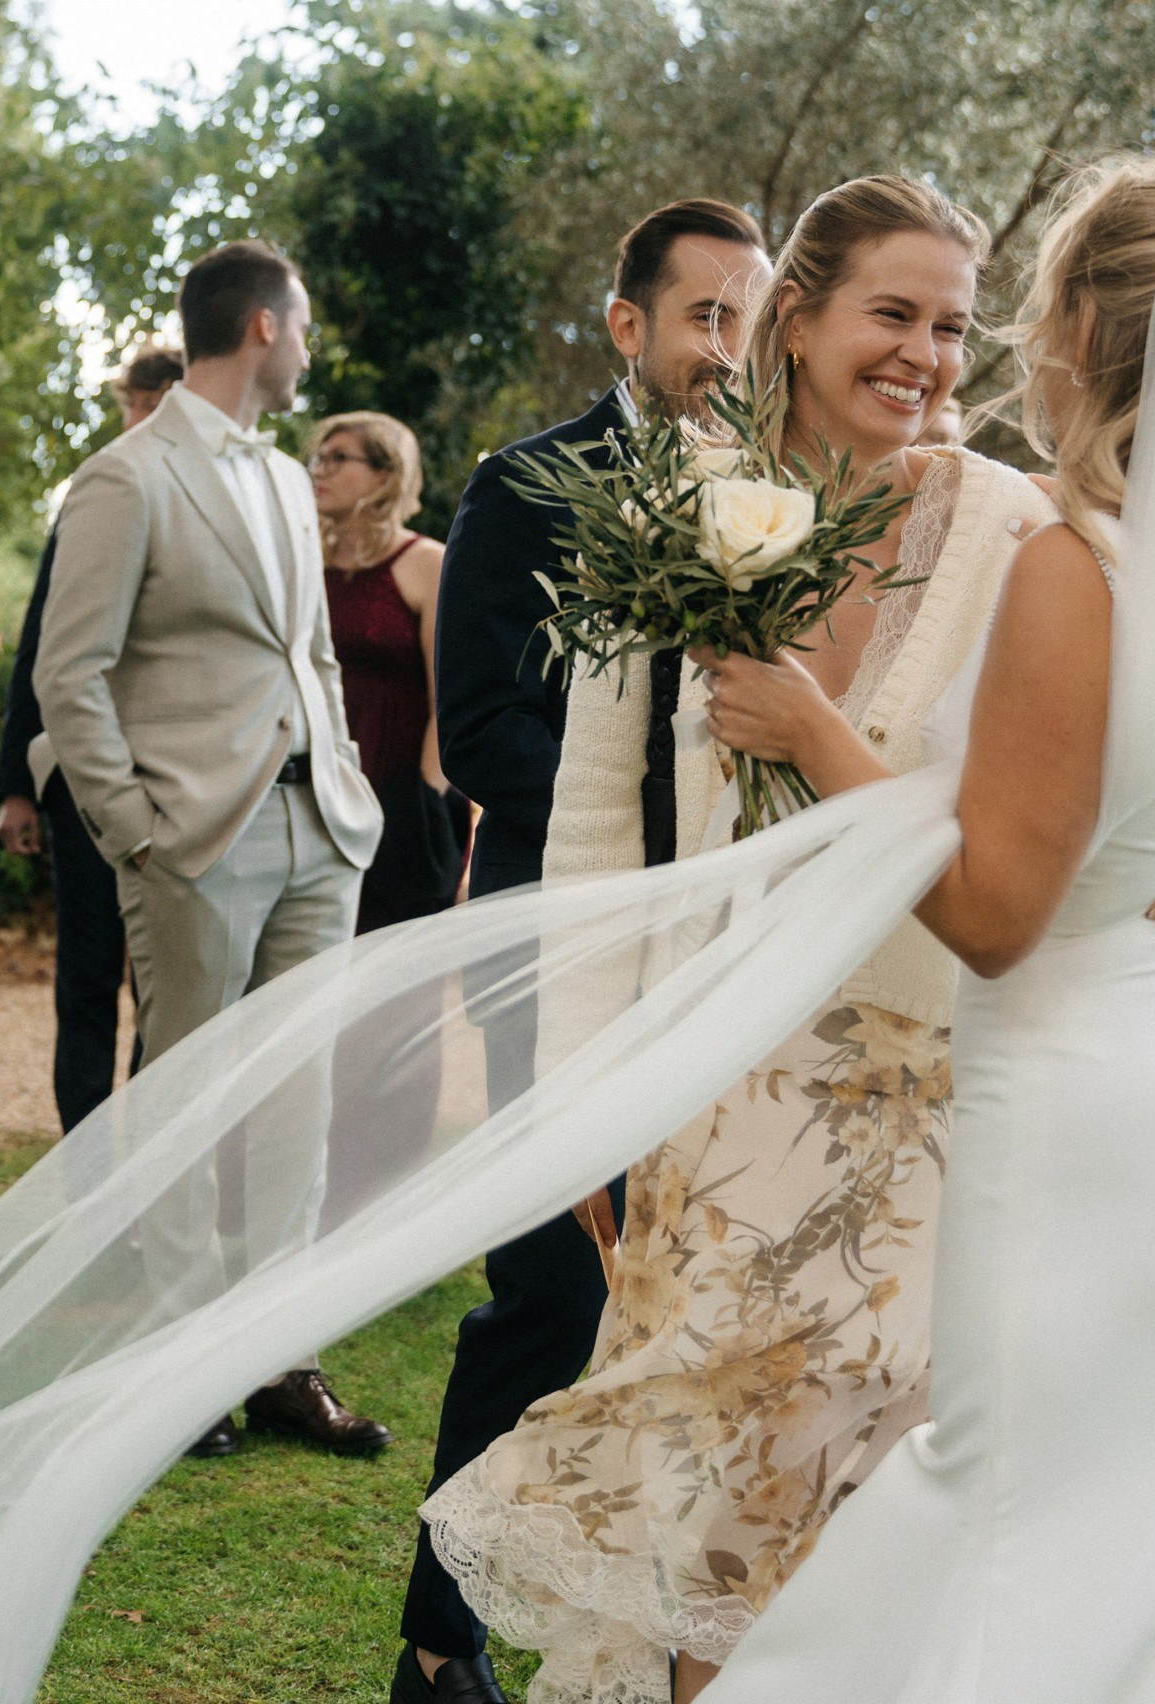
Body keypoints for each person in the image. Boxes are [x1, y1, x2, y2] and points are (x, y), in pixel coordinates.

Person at [419, 178, 1155, 1704]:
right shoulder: (663, 515)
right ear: (799, 319)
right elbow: (590, 837)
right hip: (714, 1096)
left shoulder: (1015, 523)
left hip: (928, 1110)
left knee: (861, 1535)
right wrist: (583, 1097)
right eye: (892, 315)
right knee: (712, 1520)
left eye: (957, 327)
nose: (928, 357)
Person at [696, 160, 1155, 1700]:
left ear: (1076, 324)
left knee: (1010, 1503)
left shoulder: (1079, 565)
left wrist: (813, 728)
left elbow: (995, 914)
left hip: (1084, 1092)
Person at [398, 198, 773, 1704]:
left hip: (740, 949)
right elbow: (480, 727)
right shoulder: (526, 482)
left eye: (751, 320)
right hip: (567, 938)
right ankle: (441, 1636)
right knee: (553, 1292)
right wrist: (666, 796)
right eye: (705, 318)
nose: (729, 351)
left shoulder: (785, 488)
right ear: (631, 326)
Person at [34, 241, 389, 1459]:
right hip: (193, 836)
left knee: (300, 1099)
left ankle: (281, 1360)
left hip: (317, 830)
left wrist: (346, 782)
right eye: (300, 329)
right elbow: (65, 674)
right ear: (259, 328)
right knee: (187, 1101)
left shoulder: (291, 479)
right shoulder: (123, 481)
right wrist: (133, 832)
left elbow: (316, 654)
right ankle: (182, 1372)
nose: (307, 350)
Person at [0, 344, 183, 1131]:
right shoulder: (95, 495)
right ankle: (85, 1158)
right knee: (85, 975)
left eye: (148, 404)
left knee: (164, 985)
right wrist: (14, 785)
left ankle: (142, 1155)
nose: (134, 420)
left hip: (177, 780)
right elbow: (42, 644)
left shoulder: (205, 497)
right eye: (129, 406)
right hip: (80, 779)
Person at [312, 411, 468, 931]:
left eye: (339, 458)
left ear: (385, 474)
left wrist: (421, 800)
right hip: (318, 794)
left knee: (400, 989)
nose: (320, 470)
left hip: (402, 804)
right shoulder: (306, 563)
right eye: (318, 457)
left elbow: (448, 694)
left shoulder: (427, 563)